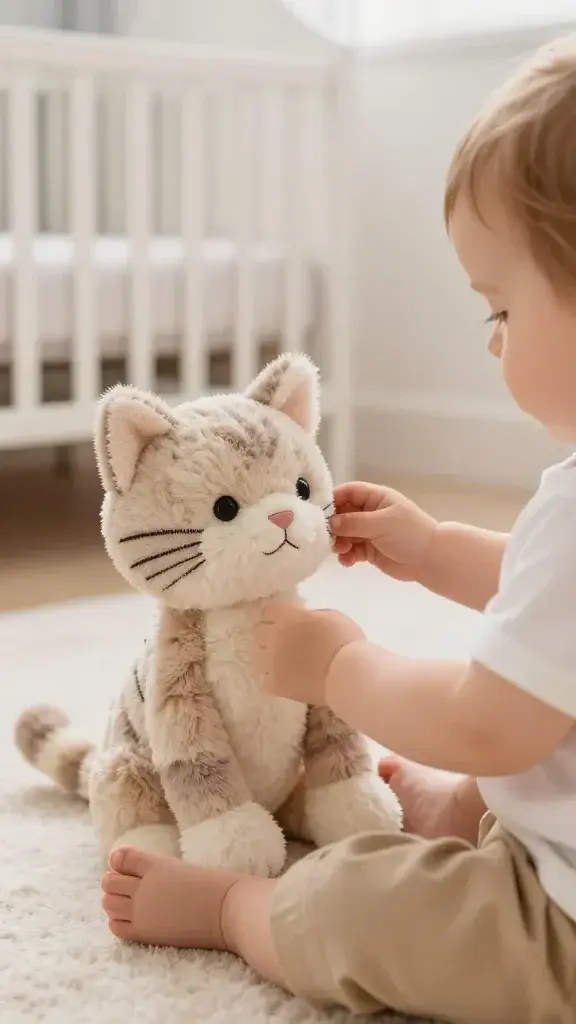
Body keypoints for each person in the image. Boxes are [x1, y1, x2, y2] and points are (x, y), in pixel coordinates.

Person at [101, 36, 576, 1022]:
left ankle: (237, 908)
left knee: (357, 903)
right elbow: (547, 602)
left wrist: (340, 668)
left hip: (562, 924)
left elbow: (485, 718)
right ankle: (474, 816)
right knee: (521, 764)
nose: (493, 340)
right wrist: (434, 549)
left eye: (499, 308)